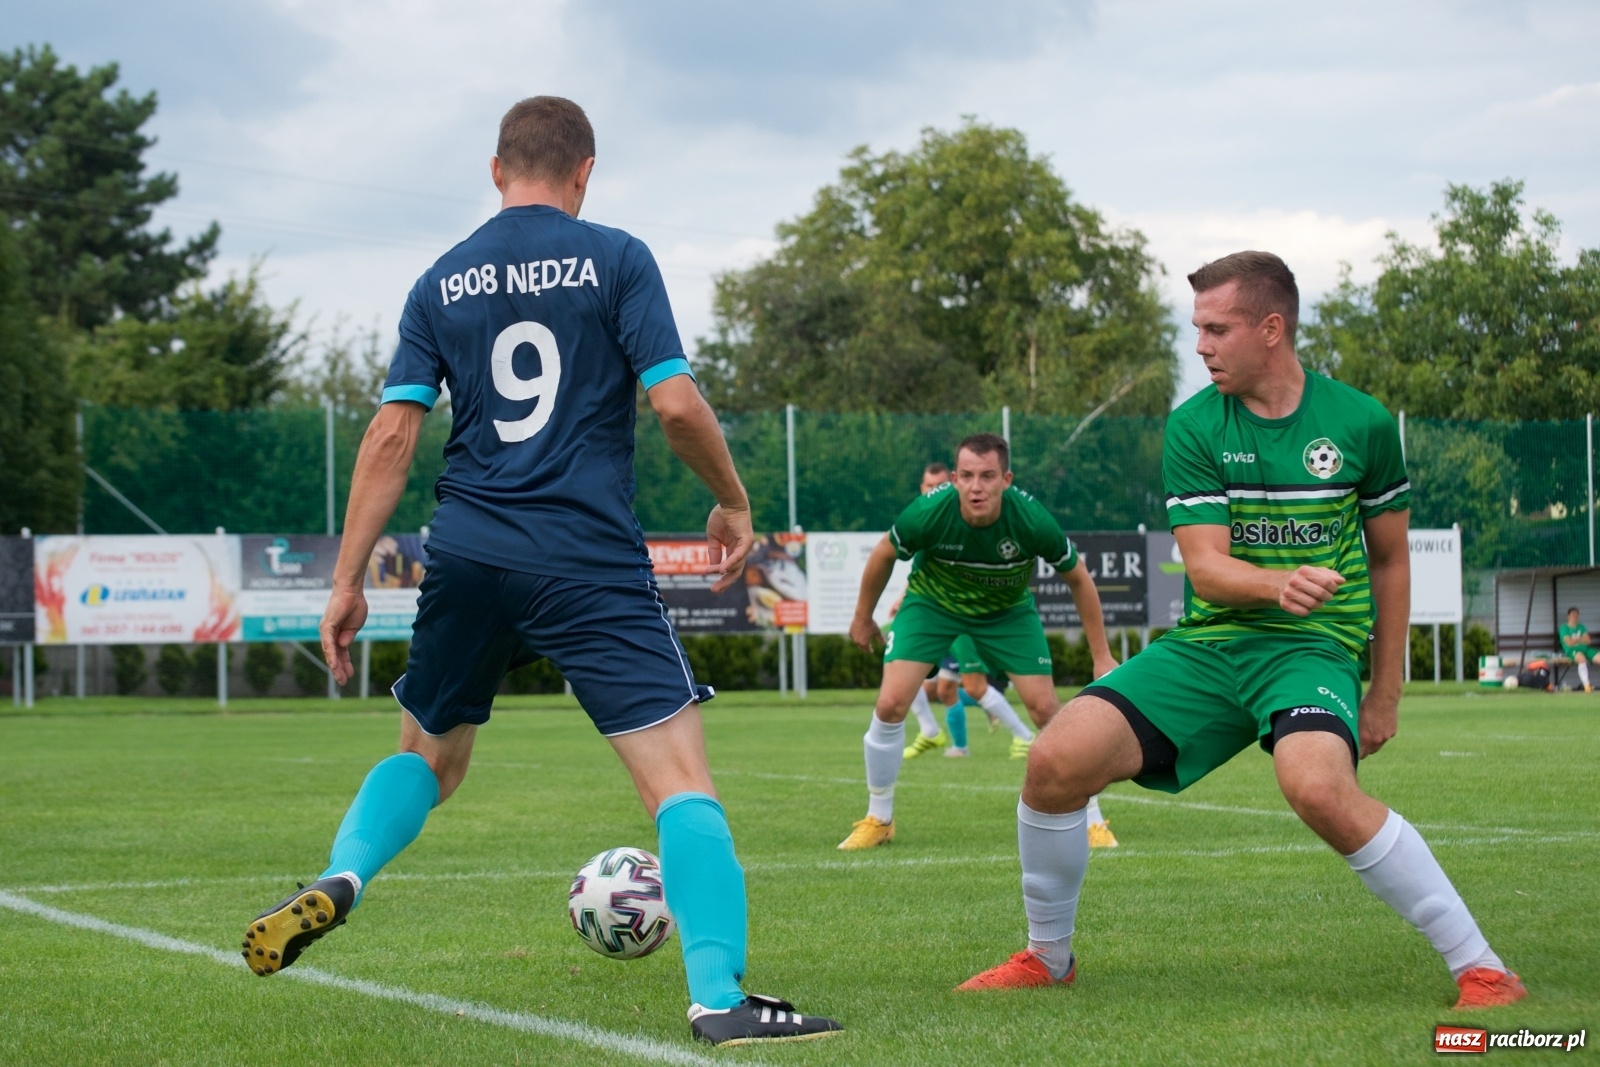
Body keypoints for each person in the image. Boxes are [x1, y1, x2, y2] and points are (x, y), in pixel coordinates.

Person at [239, 97, 841, 1048]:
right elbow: (678, 407)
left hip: (469, 550)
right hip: (585, 558)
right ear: (584, 172)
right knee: (680, 786)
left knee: (427, 759)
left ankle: (342, 876)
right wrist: (733, 499)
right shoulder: (616, 257)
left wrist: (348, 578)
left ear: (494, 171)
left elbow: (393, 433)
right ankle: (718, 994)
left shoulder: (439, 279)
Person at [958, 251, 1525, 1012]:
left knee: (1318, 786)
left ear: (1271, 327)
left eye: (1216, 328)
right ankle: (1047, 957)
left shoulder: (1359, 421)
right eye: (1197, 328)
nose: (1201, 346)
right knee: (1056, 760)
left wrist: (1386, 689)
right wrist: (1276, 582)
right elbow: (1207, 568)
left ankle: (1483, 969)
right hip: (1212, 644)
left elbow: (1390, 561)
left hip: (1310, 648)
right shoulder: (1194, 426)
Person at [840, 433, 1118, 850]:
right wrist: (863, 617)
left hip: (1007, 611)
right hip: (932, 603)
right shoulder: (929, 512)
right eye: (967, 476)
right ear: (953, 478)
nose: (976, 487)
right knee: (890, 703)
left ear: (1006, 479)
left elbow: (1078, 578)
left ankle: (1091, 818)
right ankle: (879, 818)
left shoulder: (1031, 519)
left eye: (987, 476)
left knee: (1045, 709)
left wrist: (1102, 657)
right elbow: (883, 553)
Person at [1559, 607, 1591, 692]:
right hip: (1572, 650)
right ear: (1568, 616)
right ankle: (1587, 685)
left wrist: (1576, 639)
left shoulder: (1581, 627)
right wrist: (1581, 639)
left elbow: (1588, 641)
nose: (1575, 616)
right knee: (1581, 659)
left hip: (1585, 649)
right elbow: (1568, 642)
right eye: (1573, 614)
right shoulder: (1564, 628)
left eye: (1576, 615)